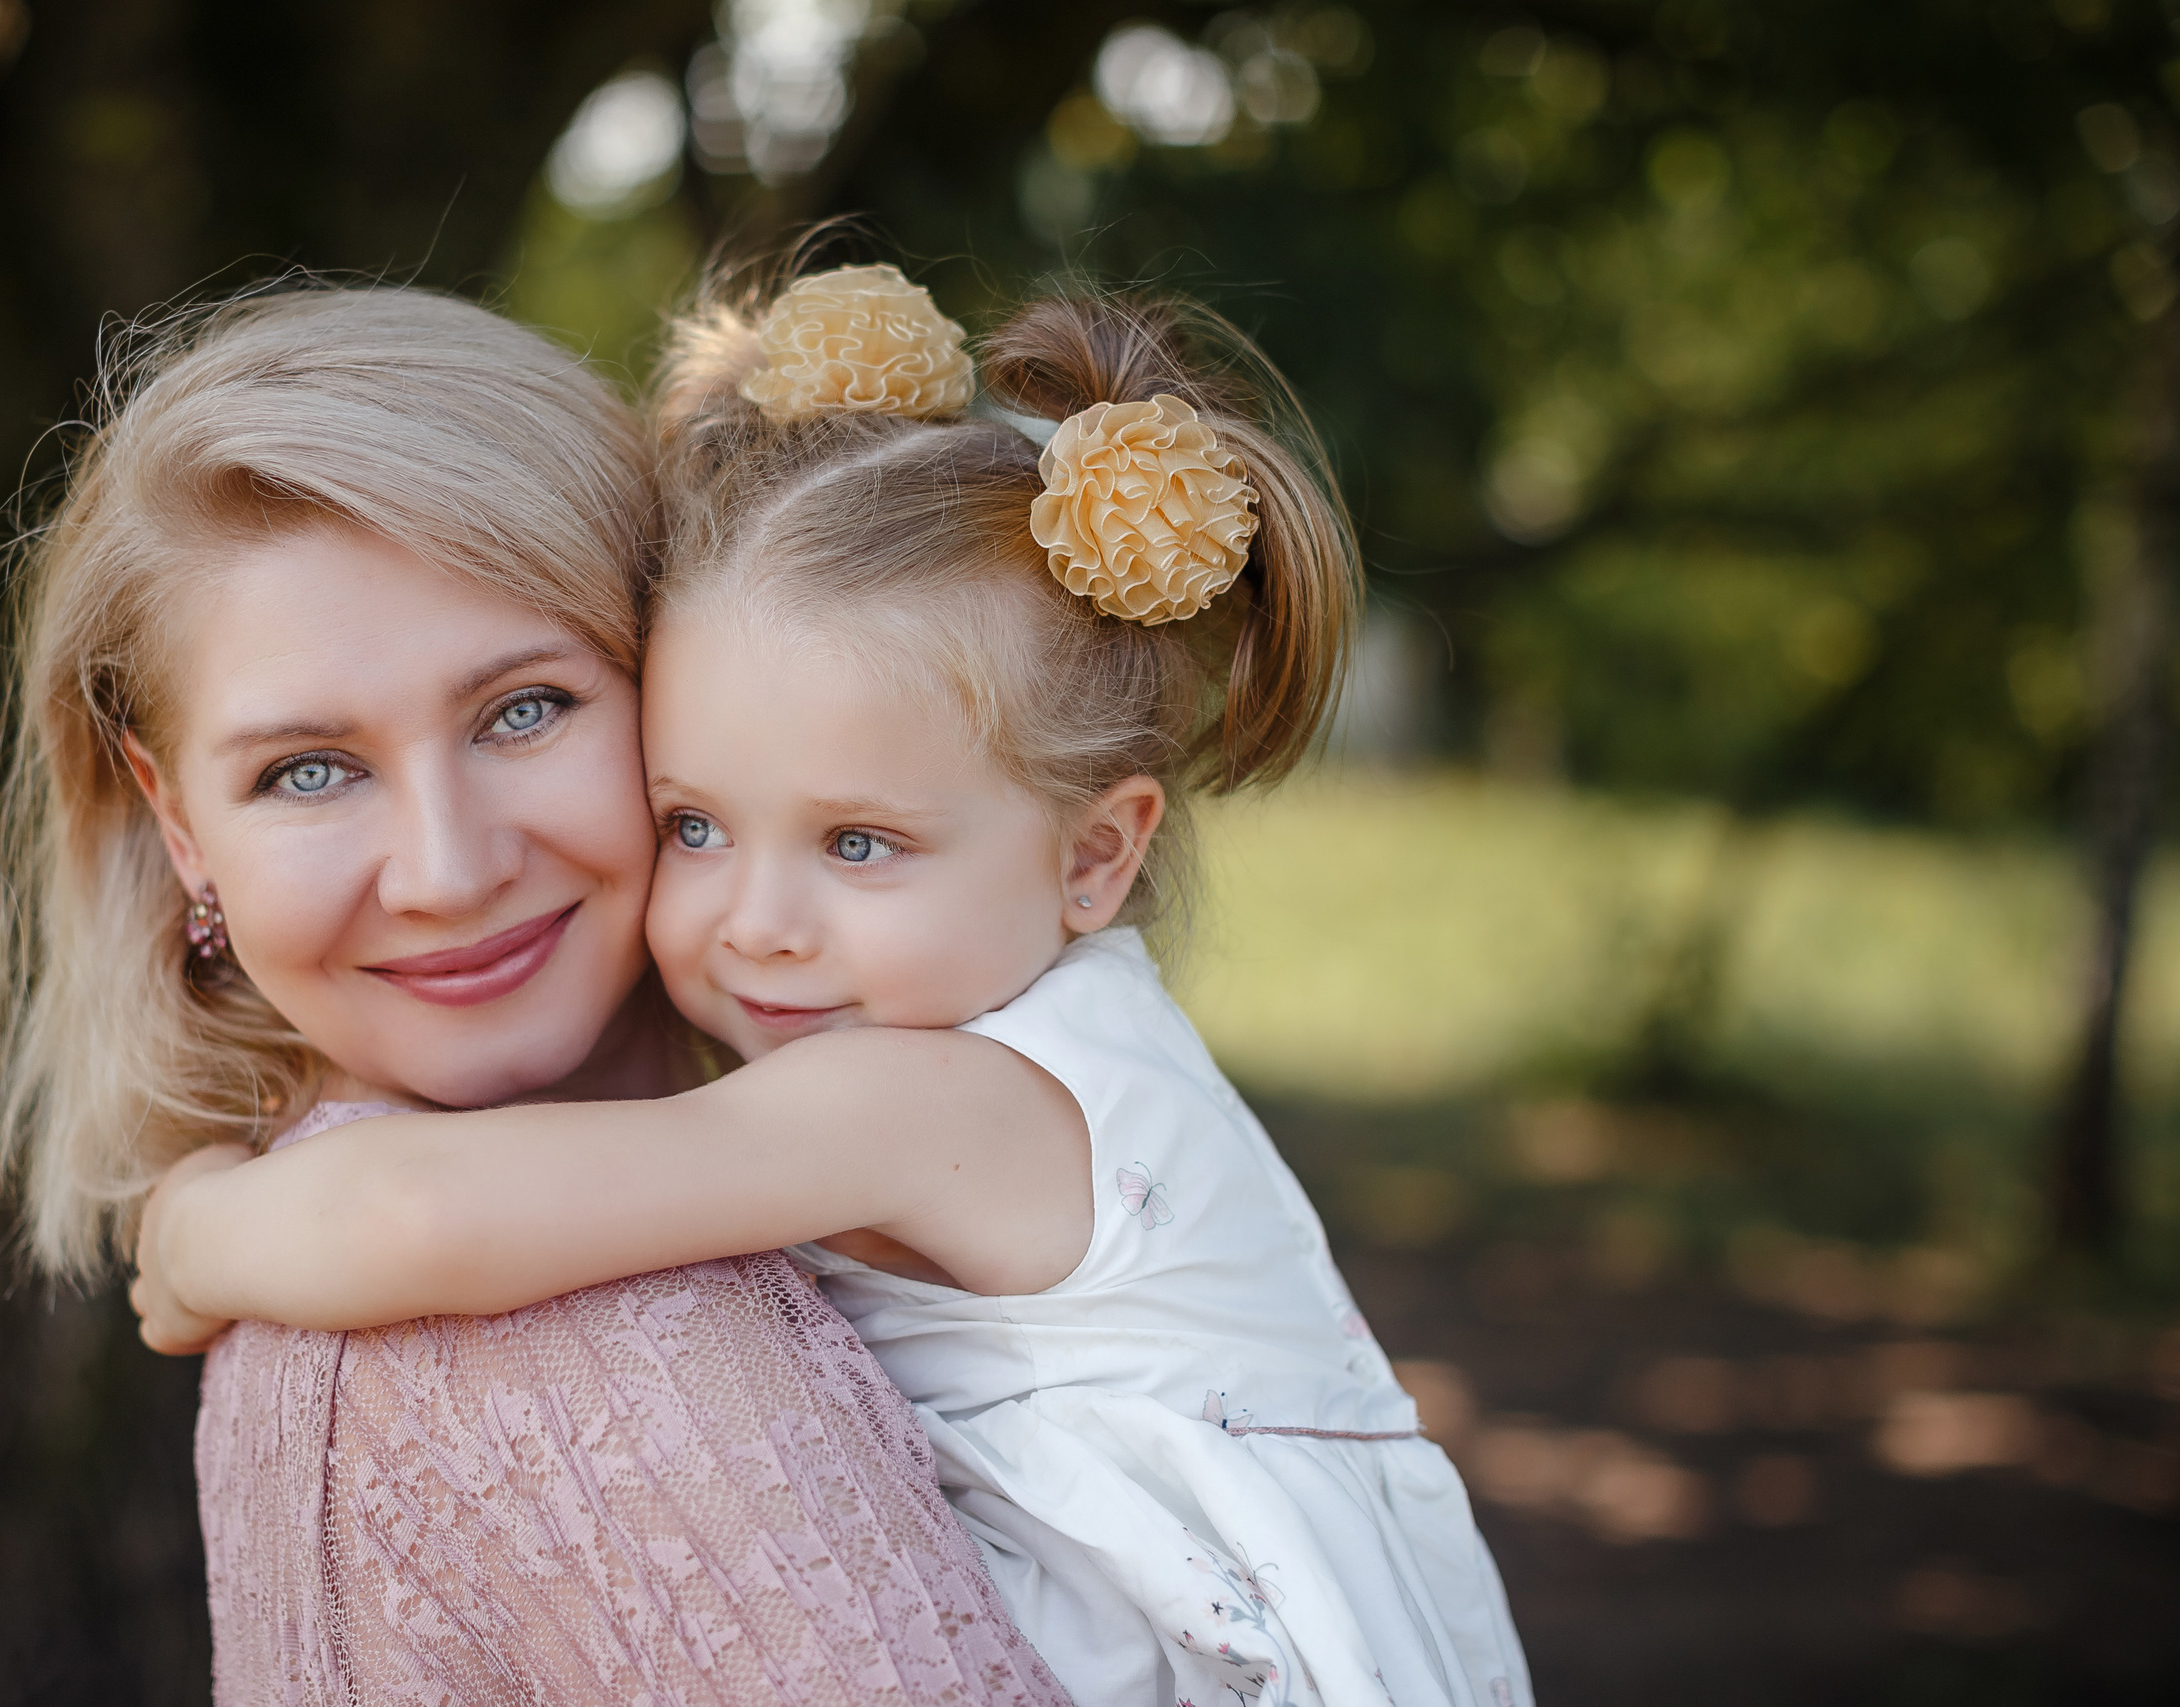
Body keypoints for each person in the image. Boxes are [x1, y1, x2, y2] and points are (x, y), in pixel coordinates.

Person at [131, 264, 1533, 1707]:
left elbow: (419, 1214)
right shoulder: (978, 1043)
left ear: (1095, 857)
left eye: (861, 843)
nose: (757, 924)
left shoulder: (942, 1100)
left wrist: (193, 1237)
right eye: (695, 825)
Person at [0, 281, 1073, 1706]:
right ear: (176, 823)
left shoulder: (337, 1245)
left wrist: (198, 1228)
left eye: (524, 709)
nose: (445, 872)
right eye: (305, 771)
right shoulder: (576, 1334)